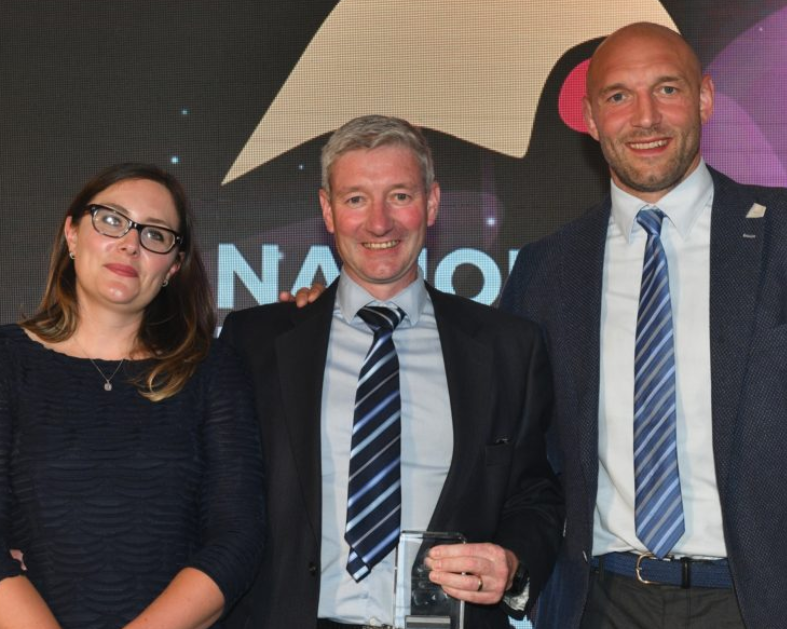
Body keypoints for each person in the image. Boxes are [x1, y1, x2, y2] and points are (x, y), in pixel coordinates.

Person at [499, 22, 787, 628]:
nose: (645, 117)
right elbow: (513, 456)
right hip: (601, 605)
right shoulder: (546, 270)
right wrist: (317, 322)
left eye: (666, 90)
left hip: (765, 607)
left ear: (704, 99)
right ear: (591, 119)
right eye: (619, 96)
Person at [218, 115, 563, 629]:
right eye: (356, 198)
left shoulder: (508, 348)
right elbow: (219, 501)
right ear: (327, 211)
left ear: (432, 203)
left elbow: (536, 493)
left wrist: (512, 562)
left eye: (399, 196)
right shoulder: (255, 342)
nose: (379, 223)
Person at [0, 163, 266, 629]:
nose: (130, 243)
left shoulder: (212, 369)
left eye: (155, 234)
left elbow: (237, 538)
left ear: (172, 266)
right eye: (111, 220)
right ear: (72, 234)